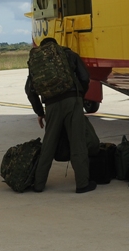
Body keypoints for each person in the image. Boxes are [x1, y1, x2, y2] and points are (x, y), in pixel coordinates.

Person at [25, 36, 95, 193]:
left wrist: (40, 112)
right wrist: (79, 97)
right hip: (72, 100)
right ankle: (82, 184)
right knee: (78, 142)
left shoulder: (37, 62)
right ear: (56, 45)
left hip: (50, 105)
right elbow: (85, 77)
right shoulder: (68, 54)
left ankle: (39, 184)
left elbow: (30, 90)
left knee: (48, 145)